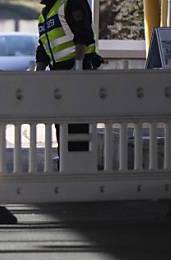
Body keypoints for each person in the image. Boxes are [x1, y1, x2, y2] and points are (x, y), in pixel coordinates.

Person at [35, 0, 102, 153]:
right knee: (62, 123)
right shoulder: (46, 13)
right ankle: (65, 165)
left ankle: (79, 166)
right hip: (59, 76)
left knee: (77, 124)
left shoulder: (71, 2)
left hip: (78, 72)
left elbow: (83, 36)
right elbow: (44, 47)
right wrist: (36, 75)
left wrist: (76, 67)